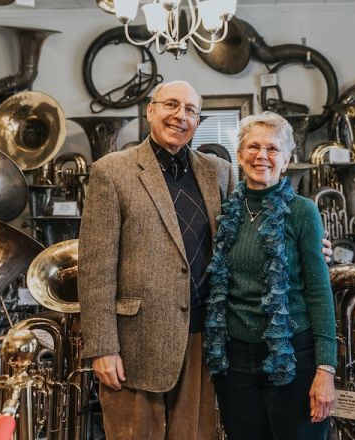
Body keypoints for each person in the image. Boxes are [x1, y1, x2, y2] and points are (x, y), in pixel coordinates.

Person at [78, 80, 235, 440]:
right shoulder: (111, 171)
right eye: (171, 105)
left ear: (198, 121)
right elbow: (95, 269)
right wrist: (102, 348)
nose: (181, 115)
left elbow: (244, 238)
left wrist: (302, 243)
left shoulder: (219, 172)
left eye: (191, 110)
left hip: (202, 339)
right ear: (150, 110)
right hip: (135, 345)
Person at [204, 111, 337, 440]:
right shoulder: (226, 210)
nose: (261, 155)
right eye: (253, 147)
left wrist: (326, 369)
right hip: (234, 360)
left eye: (272, 148)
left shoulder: (303, 211)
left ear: (287, 160)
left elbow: (319, 293)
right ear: (239, 155)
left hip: (292, 355)